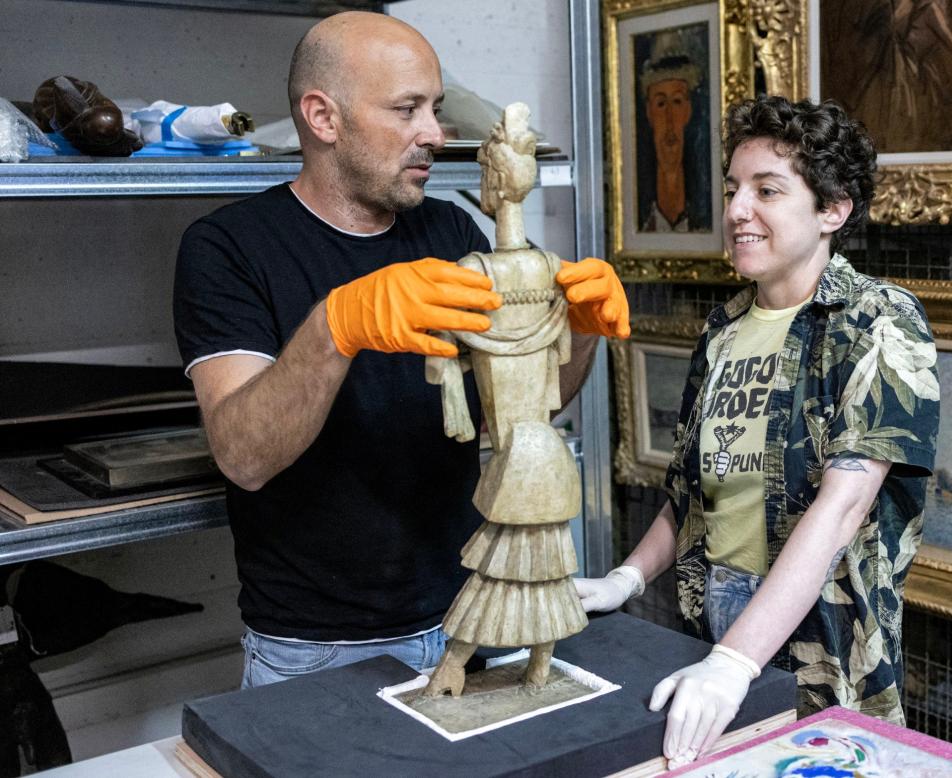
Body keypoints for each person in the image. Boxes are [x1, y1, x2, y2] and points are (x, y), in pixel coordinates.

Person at [172, 11, 629, 689]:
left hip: (471, 616)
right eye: (407, 109)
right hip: (315, 650)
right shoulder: (229, 249)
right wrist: (337, 326)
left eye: (436, 109)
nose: (435, 136)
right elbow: (244, 456)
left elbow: (535, 404)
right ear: (323, 118)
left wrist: (582, 332)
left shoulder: (447, 227)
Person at [575, 95, 940, 765]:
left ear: (832, 209)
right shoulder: (723, 330)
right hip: (715, 608)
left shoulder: (876, 321)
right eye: (733, 189)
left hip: (824, 629)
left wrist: (736, 661)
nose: (738, 209)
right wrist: (625, 580)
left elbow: (842, 507)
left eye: (767, 190)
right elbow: (691, 492)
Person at [638, 30, 709, 233]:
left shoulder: (705, 229)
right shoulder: (642, 228)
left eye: (677, 101)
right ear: (649, 112)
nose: (669, 119)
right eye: (661, 103)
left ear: (688, 110)